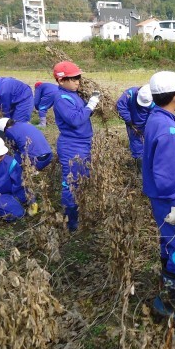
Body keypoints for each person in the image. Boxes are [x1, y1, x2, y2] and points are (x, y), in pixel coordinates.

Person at [142, 71, 175, 320]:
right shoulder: (168, 131)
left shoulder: (155, 119)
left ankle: (169, 288)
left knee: (169, 242)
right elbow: (166, 177)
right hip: (172, 199)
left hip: (161, 197)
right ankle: (167, 300)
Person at [52, 61, 100, 232]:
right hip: (72, 145)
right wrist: (91, 105)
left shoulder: (72, 94)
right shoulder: (61, 99)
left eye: (78, 78)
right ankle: (71, 222)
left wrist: (90, 105)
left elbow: (81, 114)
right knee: (72, 182)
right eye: (72, 79)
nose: (77, 82)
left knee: (83, 178)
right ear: (60, 81)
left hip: (83, 142)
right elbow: (76, 119)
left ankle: (82, 212)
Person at [116, 84, 154, 171]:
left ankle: (151, 163)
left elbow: (155, 114)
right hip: (132, 125)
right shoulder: (130, 94)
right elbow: (121, 105)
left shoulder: (155, 100)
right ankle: (140, 168)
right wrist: (128, 120)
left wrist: (149, 125)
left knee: (151, 142)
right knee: (136, 144)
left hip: (147, 124)